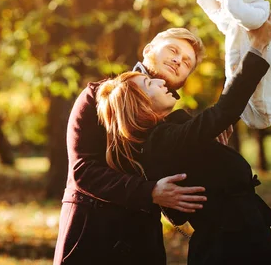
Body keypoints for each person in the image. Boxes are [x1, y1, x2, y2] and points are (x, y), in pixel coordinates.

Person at [96, 17, 271, 265]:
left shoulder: (169, 132)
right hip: (228, 248)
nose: (160, 82)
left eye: (187, 62)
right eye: (148, 83)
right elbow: (223, 111)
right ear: (138, 104)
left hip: (239, 238)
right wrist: (257, 47)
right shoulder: (160, 140)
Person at [54, 28, 220, 265]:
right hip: (92, 234)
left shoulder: (177, 125)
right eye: (173, 50)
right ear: (148, 50)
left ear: (185, 79)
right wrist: (149, 191)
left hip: (143, 242)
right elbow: (83, 170)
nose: (178, 60)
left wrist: (211, 139)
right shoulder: (97, 96)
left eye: (186, 62)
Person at [197, 0, 271, 129]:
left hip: (261, 68)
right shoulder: (233, 19)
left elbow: (241, 14)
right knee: (237, 97)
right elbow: (210, 6)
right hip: (238, 71)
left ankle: (264, 110)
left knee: (260, 96)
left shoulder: (259, 11)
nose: (221, 3)